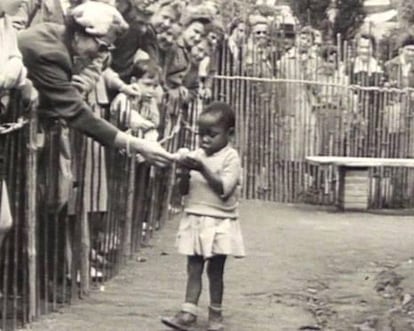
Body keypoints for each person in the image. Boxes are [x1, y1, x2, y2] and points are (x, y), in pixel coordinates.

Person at [17, 1, 173, 166]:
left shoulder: (56, 35)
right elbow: (76, 113)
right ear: (79, 35)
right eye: (102, 47)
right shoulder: (50, 55)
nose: (102, 55)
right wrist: (136, 144)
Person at [161, 101, 245, 331]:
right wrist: (184, 173)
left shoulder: (231, 158)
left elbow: (224, 189)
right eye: (201, 134)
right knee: (194, 267)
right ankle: (188, 312)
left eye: (212, 135)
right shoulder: (196, 155)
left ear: (230, 134)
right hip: (195, 217)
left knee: (215, 271)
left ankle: (215, 315)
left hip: (220, 220)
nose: (205, 140)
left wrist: (202, 168)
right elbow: (184, 192)